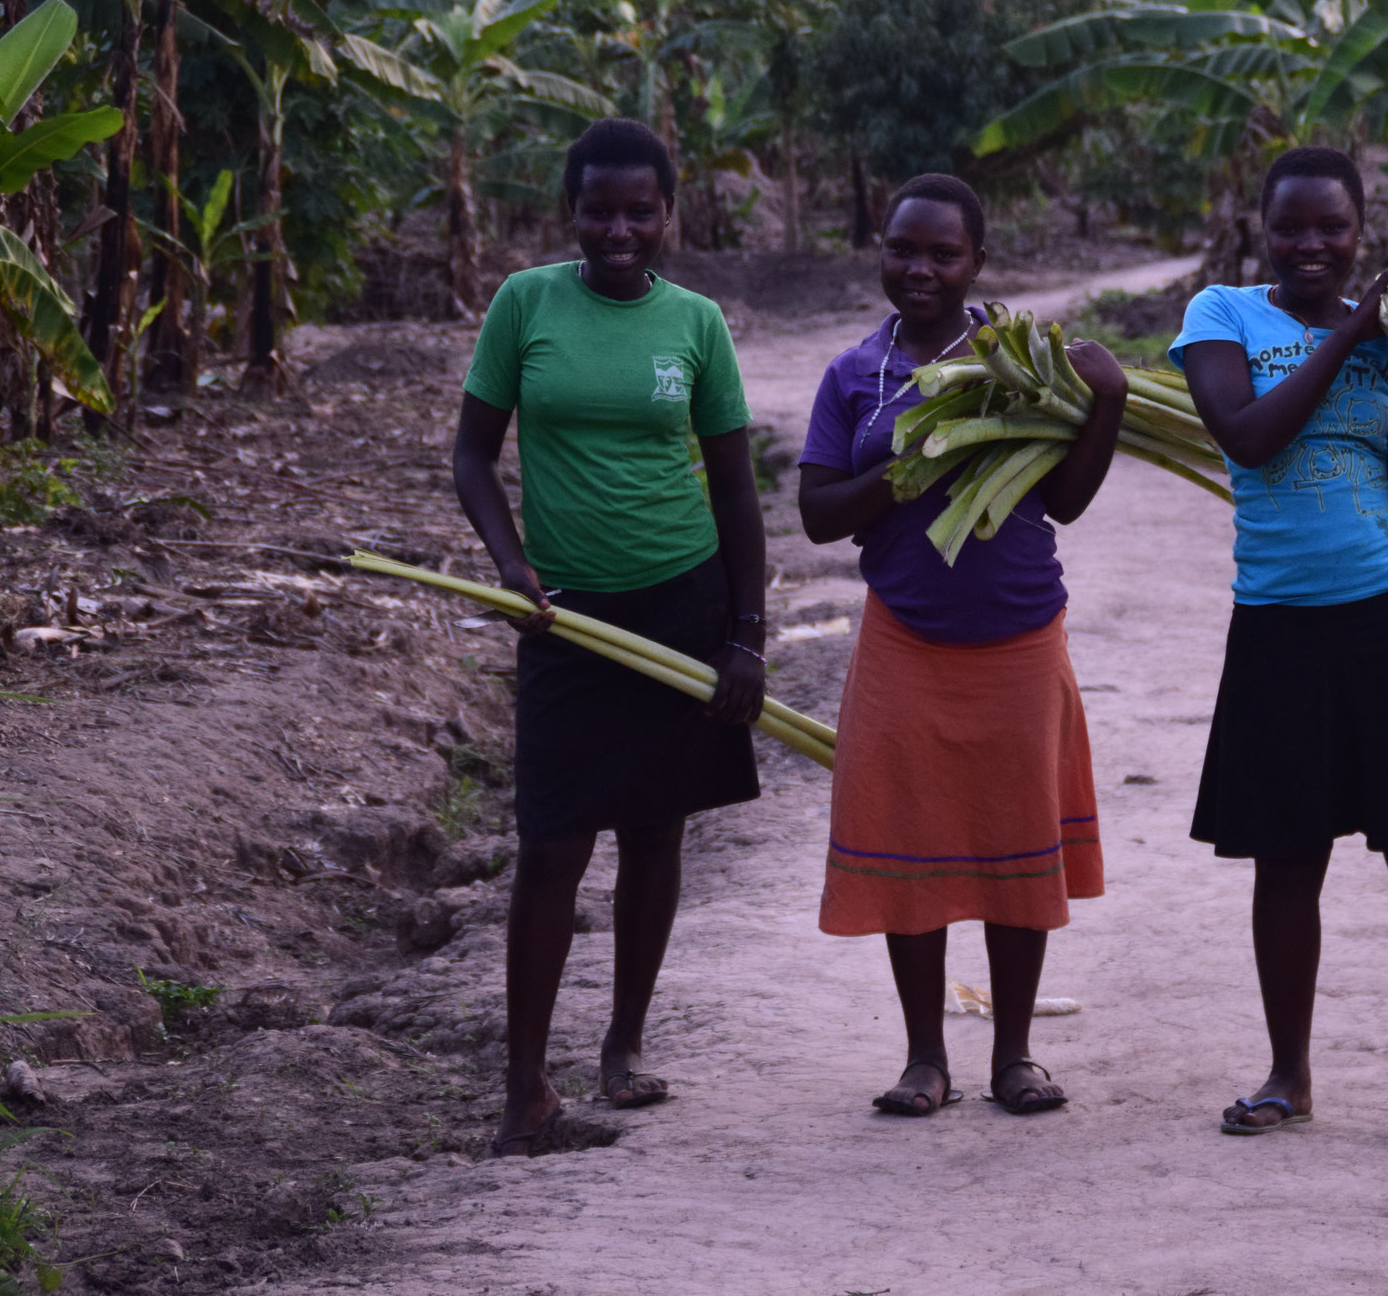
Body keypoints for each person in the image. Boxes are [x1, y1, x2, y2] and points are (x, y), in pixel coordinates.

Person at [1172, 145, 1388, 1160]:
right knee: (1285, 853)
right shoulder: (1221, 317)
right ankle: (1288, 1072)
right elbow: (1248, 437)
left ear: (1361, 232)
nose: (1310, 245)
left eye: (1331, 228)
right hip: (1278, 619)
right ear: (1258, 232)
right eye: (1290, 227)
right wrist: (1354, 330)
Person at [453, 118, 768, 1155]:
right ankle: (525, 1090)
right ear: (570, 211)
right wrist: (511, 565)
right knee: (549, 846)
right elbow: (471, 459)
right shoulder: (523, 304)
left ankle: (624, 1047)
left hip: (683, 602)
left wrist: (747, 635)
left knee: (656, 829)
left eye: (639, 210)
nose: (618, 228)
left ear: (667, 215)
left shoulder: (696, 323)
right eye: (599, 209)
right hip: (567, 614)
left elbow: (735, 489)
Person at [797, 173, 1127, 1117]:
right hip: (903, 636)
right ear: (880, 251)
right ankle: (924, 1058)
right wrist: (906, 469)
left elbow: (1064, 499)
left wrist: (1101, 401)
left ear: (978, 261)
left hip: (1021, 637)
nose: (921, 269)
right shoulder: (855, 375)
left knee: (1016, 844)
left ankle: (1015, 1055)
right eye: (903, 249)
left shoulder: (1023, 361)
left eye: (944, 253)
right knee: (912, 842)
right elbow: (819, 513)